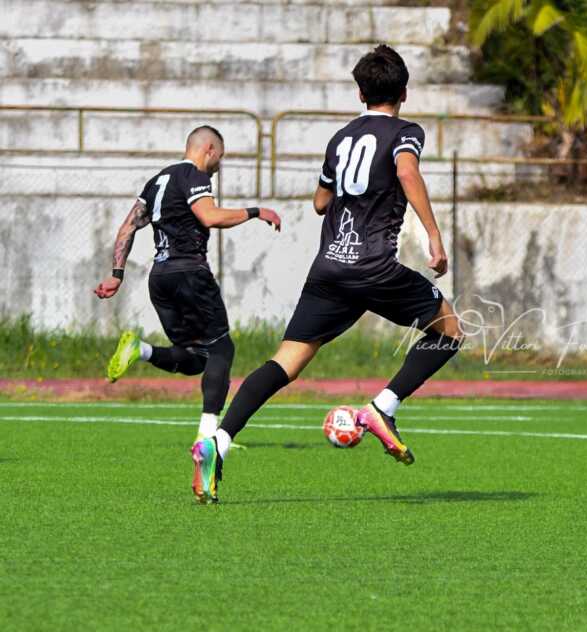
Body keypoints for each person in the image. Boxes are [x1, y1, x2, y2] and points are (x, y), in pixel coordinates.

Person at [193, 45, 464, 503]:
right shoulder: (406, 132)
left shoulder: (340, 139)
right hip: (373, 266)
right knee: (451, 330)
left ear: (360, 93)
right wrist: (434, 236)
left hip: (330, 267)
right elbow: (406, 170)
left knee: (285, 363)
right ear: (404, 92)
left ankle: (217, 442)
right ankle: (383, 406)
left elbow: (320, 203)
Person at [93, 126, 281, 470]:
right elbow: (209, 216)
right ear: (208, 149)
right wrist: (256, 212)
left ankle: (140, 349)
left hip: (160, 278)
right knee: (223, 349)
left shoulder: (157, 181)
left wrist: (116, 275)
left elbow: (127, 228)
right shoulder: (193, 175)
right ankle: (206, 440)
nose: (219, 166)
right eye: (220, 158)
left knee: (197, 359)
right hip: (189, 273)